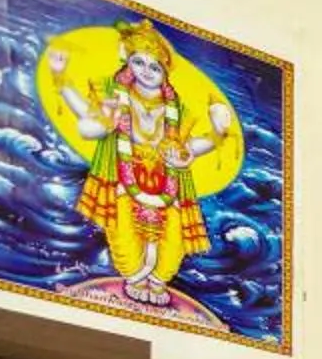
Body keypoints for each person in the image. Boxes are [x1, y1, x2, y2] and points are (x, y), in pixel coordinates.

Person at [47, 18, 238, 309]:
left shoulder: (178, 111)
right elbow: (86, 114)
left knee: (174, 243)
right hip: (125, 179)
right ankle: (135, 278)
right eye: (139, 62)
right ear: (128, 62)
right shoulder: (113, 94)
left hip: (167, 183)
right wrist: (60, 78)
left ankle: (159, 280)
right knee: (123, 235)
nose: (146, 72)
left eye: (154, 66)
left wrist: (217, 133)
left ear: (164, 71)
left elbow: (190, 147)